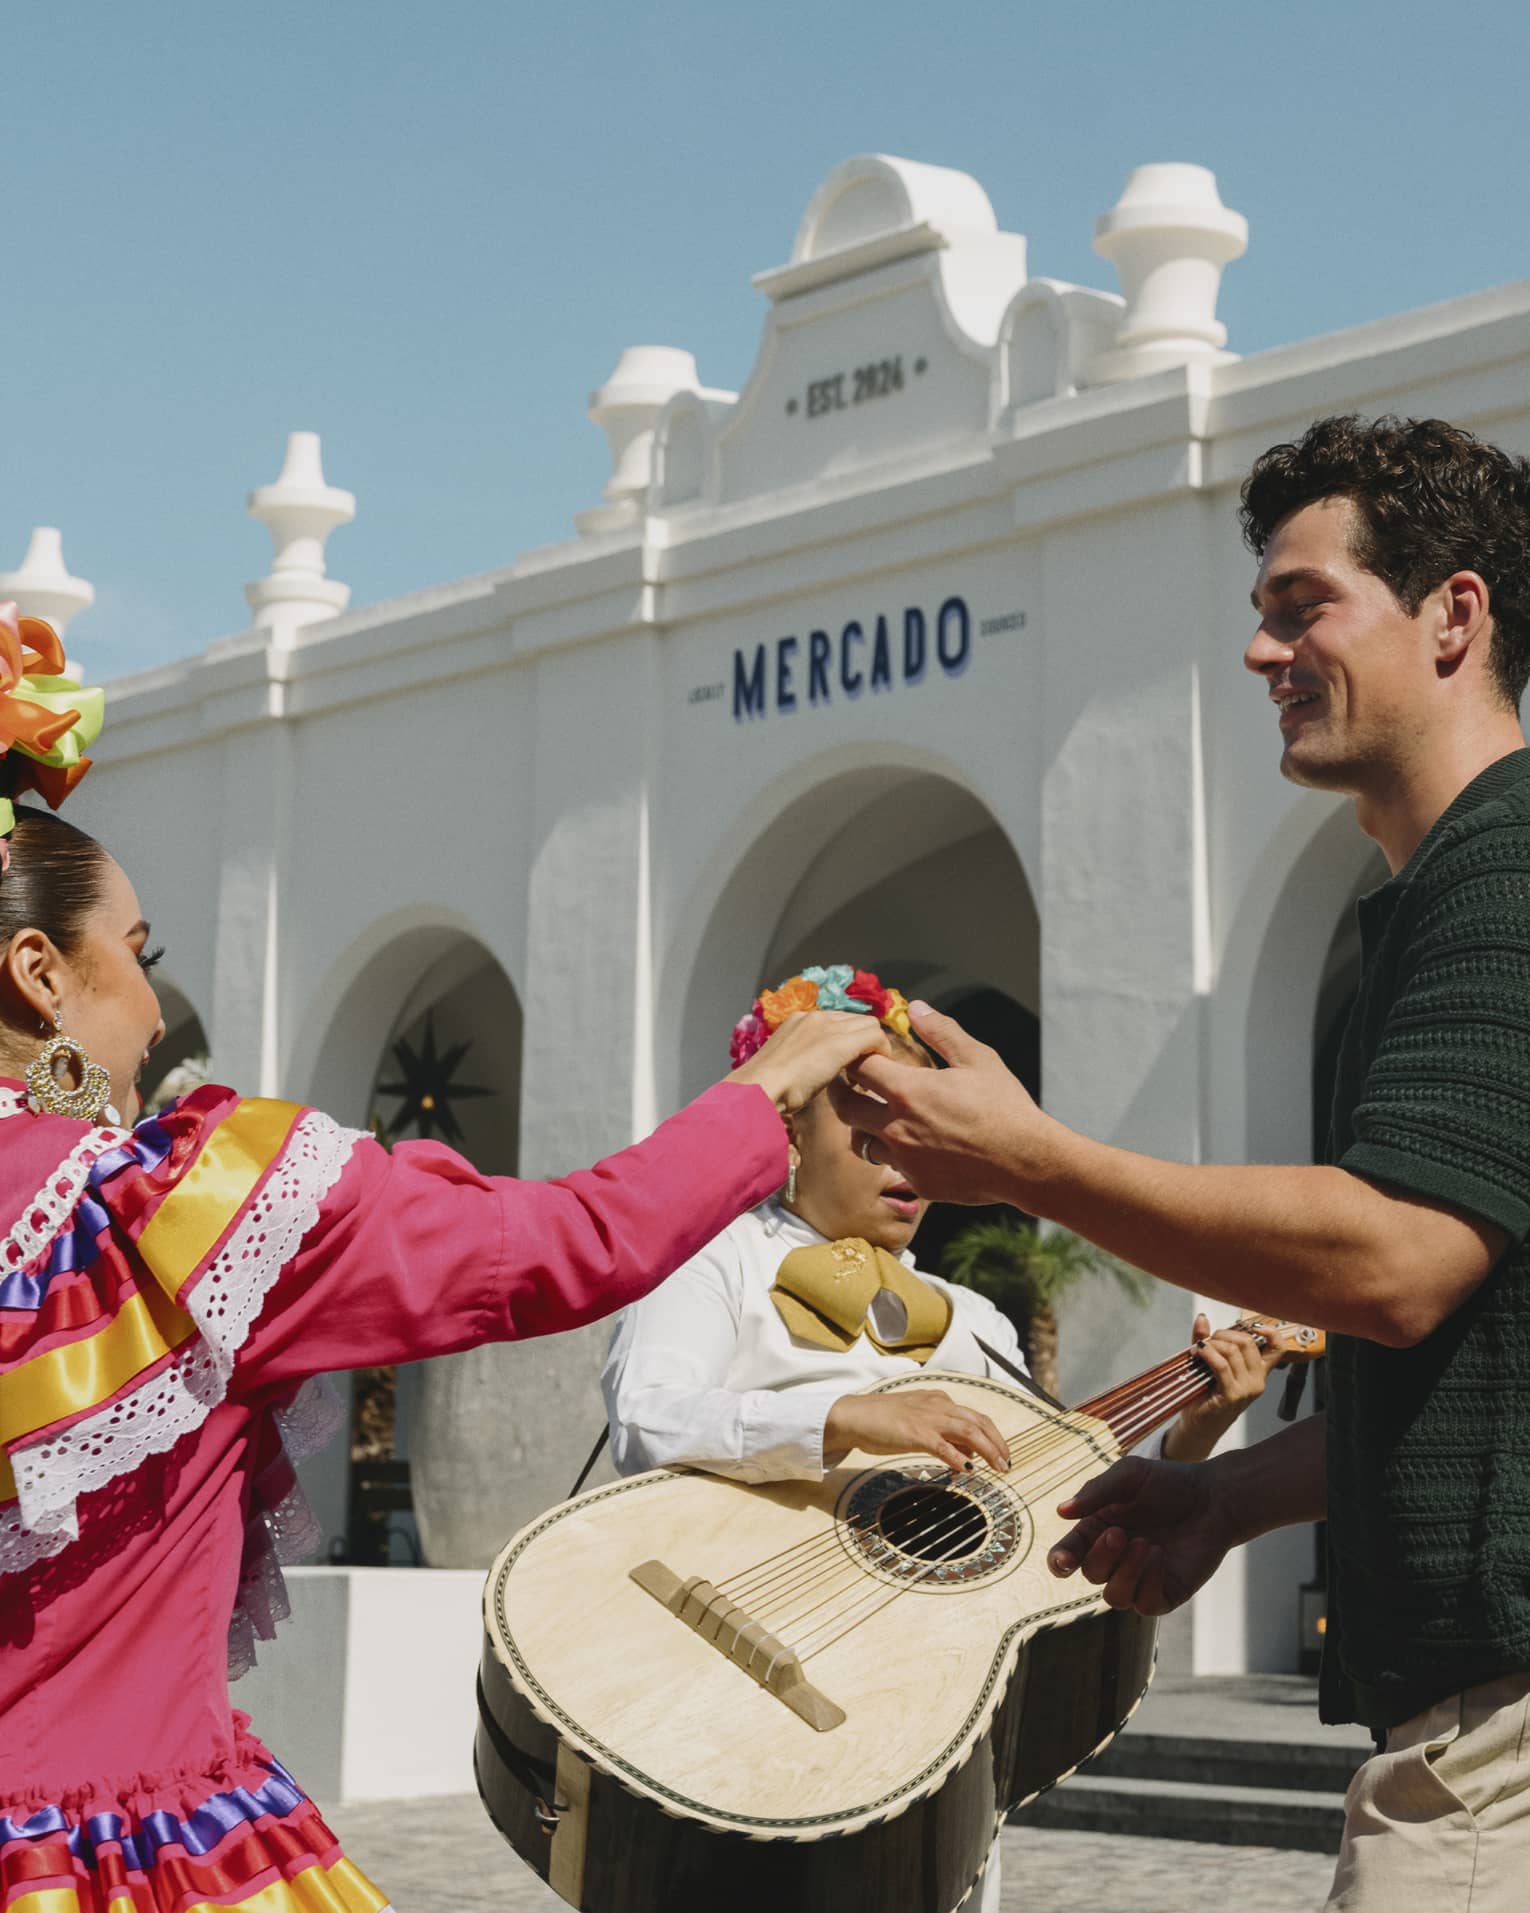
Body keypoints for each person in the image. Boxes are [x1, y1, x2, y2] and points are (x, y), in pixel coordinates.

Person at [0, 608, 890, 1913]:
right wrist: (773, 1084)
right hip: (116, 1856)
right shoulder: (178, 1213)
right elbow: (571, 1244)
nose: (148, 1008)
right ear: (38, 973)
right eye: (137, 959)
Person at [829, 416, 1530, 1909]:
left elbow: (1397, 1263)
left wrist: (1032, 1165)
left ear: (1453, 614)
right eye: (1259, 618)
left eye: (1301, 607)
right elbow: (1475, 1375)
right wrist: (1234, 1497)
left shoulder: (1506, 867)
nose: (1261, 654)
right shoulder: (1415, 905)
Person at [603, 963, 1278, 1913]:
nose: (904, 1164)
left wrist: (1186, 1445)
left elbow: (1047, 1502)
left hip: (922, 1715)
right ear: (787, 1124)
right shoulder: (715, 1256)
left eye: (917, 1141)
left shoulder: (971, 1320)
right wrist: (839, 1417)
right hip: (731, 1689)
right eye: (873, 1135)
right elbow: (643, 1417)